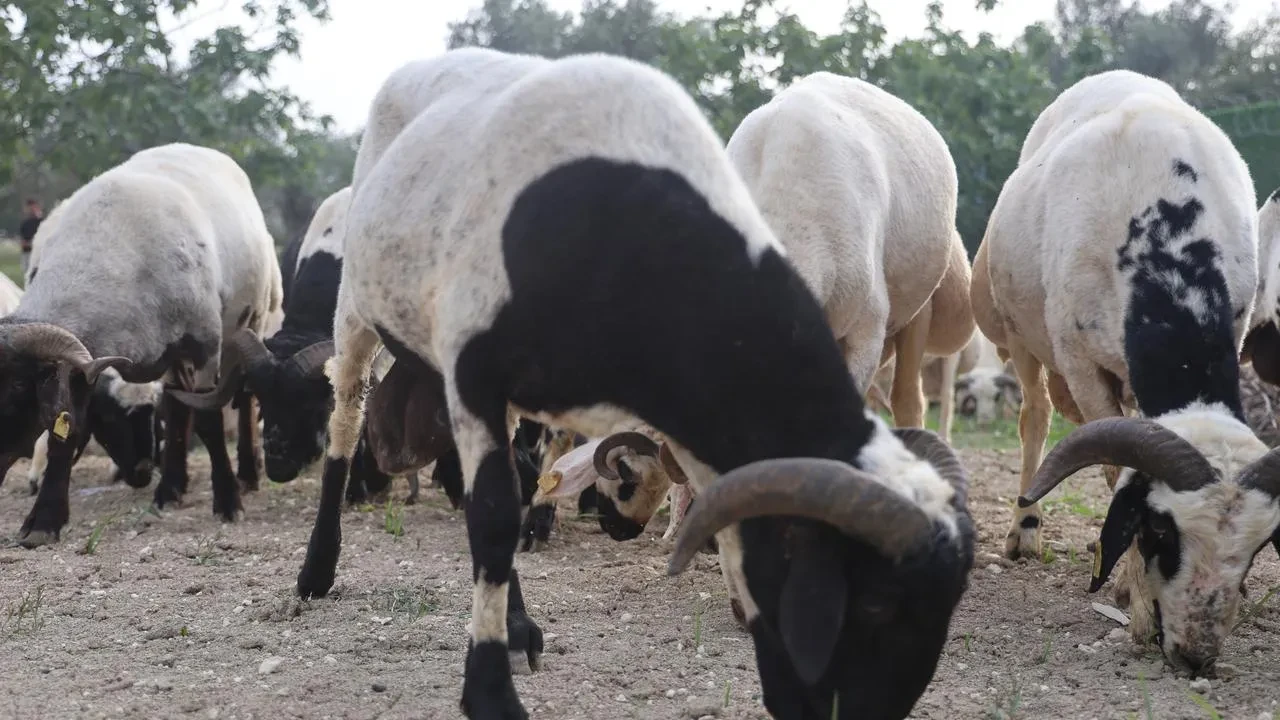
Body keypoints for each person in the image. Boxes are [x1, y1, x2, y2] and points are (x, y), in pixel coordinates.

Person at [18, 198, 42, 281]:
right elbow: (22, 241)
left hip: (38, 254)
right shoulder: (25, 224)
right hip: (27, 253)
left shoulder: (41, 222)